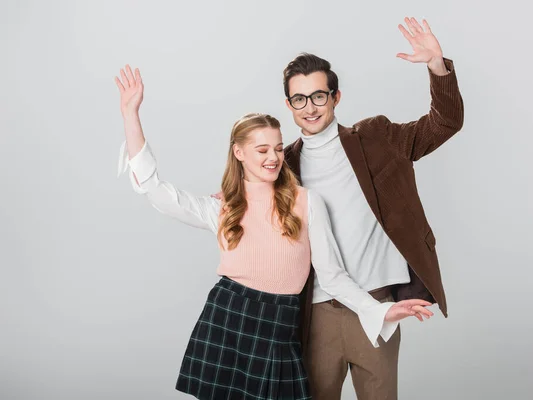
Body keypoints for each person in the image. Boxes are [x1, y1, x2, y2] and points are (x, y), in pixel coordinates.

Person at [114, 65, 434, 400]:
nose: (273, 158)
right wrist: (130, 114)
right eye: (262, 150)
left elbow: (333, 275)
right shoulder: (223, 207)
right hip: (229, 316)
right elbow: (156, 192)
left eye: (279, 148)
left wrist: (381, 311)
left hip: (283, 322)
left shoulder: (307, 202)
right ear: (239, 153)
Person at [282, 17, 465, 399]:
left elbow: (445, 123)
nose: (310, 107)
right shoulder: (282, 167)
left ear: (336, 97)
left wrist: (437, 66)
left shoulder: (377, 137)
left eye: (319, 96)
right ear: (289, 105)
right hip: (315, 315)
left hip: (378, 309)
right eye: (299, 99)